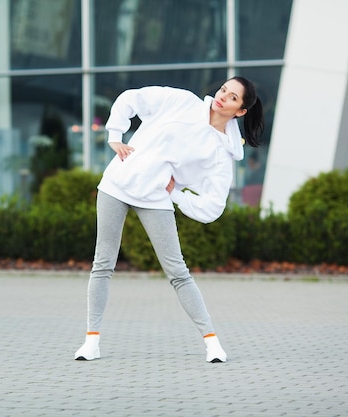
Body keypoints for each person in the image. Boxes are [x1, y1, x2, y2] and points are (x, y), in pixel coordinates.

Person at [74, 76, 264, 363]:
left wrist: (176, 194)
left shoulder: (221, 153)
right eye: (224, 89)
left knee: (178, 272)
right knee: (102, 264)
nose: (223, 96)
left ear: (240, 111)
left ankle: (212, 343)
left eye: (233, 97)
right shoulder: (182, 101)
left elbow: (213, 206)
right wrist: (115, 135)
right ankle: (91, 342)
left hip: (155, 198)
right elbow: (131, 99)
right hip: (116, 185)